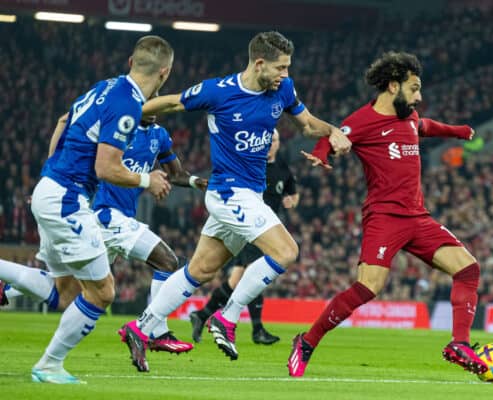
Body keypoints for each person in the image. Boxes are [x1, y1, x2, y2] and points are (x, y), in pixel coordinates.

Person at [119, 30, 351, 372]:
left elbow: (306, 124)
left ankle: (141, 326)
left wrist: (333, 131)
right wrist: (127, 116)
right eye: (280, 68)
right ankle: (226, 317)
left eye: (288, 67)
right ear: (259, 64)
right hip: (229, 192)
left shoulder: (283, 89)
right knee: (286, 251)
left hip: (249, 194)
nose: (286, 75)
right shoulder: (218, 91)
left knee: (201, 269)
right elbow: (171, 102)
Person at [287, 51, 488, 377]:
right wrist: (323, 154)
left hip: (418, 218)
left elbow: (425, 126)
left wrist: (458, 131)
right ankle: (307, 341)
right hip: (384, 218)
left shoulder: (408, 116)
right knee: (368, 288)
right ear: (393, 86)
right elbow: (334, 135)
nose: (419, 96)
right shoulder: (363, 120)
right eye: (414, 87)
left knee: (468, 269)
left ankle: (459, 344)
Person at [7, 35, 174, 384]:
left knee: (63, 292)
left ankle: (49, 365)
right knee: (102, 292)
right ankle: (49, 366)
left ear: (131, 61)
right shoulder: (128, 103)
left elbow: (63, 123)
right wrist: (148, 181)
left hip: (54, 190)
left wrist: (48, 176)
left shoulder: (103, 87)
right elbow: (106, 169)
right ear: (165, 72)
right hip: (67, 199)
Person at [0, 112, 206, 354]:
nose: (154, 107)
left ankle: (7, 289)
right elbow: (65, 124)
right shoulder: (116, 126)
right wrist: (54, 179)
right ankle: (155, 331)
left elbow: (176, 173)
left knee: (68, 292)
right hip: (105, 214)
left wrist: (196, 182)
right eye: (150, 99)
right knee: (167, 261)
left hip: (116, 219)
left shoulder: (158, 135)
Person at [189, 129, 298, 345]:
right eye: (267, 140)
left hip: (264, 228)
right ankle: (256, 329)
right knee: (251, 274)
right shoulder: (253, 165)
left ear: (278, 143)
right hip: (250, 225)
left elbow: (293, 193)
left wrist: (292, 201)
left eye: (274, 140)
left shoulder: (283, 168)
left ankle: (202, 315)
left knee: (237, 279)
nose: (270, 144)